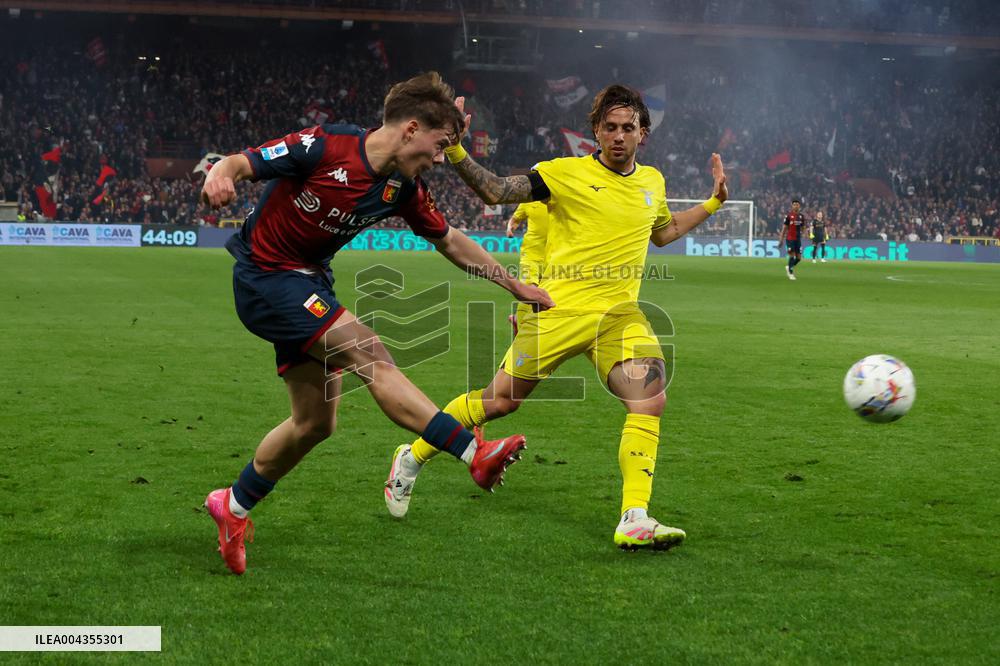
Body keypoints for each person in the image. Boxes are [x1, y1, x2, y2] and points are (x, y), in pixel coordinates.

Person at [200, 72, 554, 575]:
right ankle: (472, 452)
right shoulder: (326, 146)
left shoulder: (401, 187)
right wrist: (221, 173)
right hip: (266, 277)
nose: (440, 158)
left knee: (314, 424)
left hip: (310, 284)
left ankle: (232, 506)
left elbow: (450, 240)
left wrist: (513, 284)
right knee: (369, 352)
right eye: (440, 144)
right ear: (411, 129)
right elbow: (243, 162)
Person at [384, 84, 728, 551]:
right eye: (610, 127)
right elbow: (495, 191)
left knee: (649, 401)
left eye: (628, 127)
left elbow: (663, 233)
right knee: (499, 403)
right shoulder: (562, 173)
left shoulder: (652, 182)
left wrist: (712, 203)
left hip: (619, 316)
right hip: (557, 311)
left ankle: (635, 516)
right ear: (596, 132)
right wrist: (459, 148)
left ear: (642, 133)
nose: (619, 136)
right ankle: (411, 457)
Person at [504, 201, 550, 334]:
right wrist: (510, 228)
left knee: (548, 293)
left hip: (552, 254)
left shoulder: (559, 200)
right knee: (530, 290)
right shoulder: (528, 202)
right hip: (531, 253)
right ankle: (520, 328)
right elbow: (515, 219)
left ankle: (517, 319)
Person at [778, 198, 805, 280]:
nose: (795, 206)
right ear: (792, 206)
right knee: (792, 255)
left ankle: (789, 266)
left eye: (797, 204)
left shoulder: (801, 216)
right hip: (790, 239)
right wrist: (781, 239)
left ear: (799, 206)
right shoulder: (788, 216)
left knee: (799, 258)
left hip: (798, 239)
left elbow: (803, 227)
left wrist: (805, 232)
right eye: (794, 204)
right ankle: (790, 273)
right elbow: (784, 229)